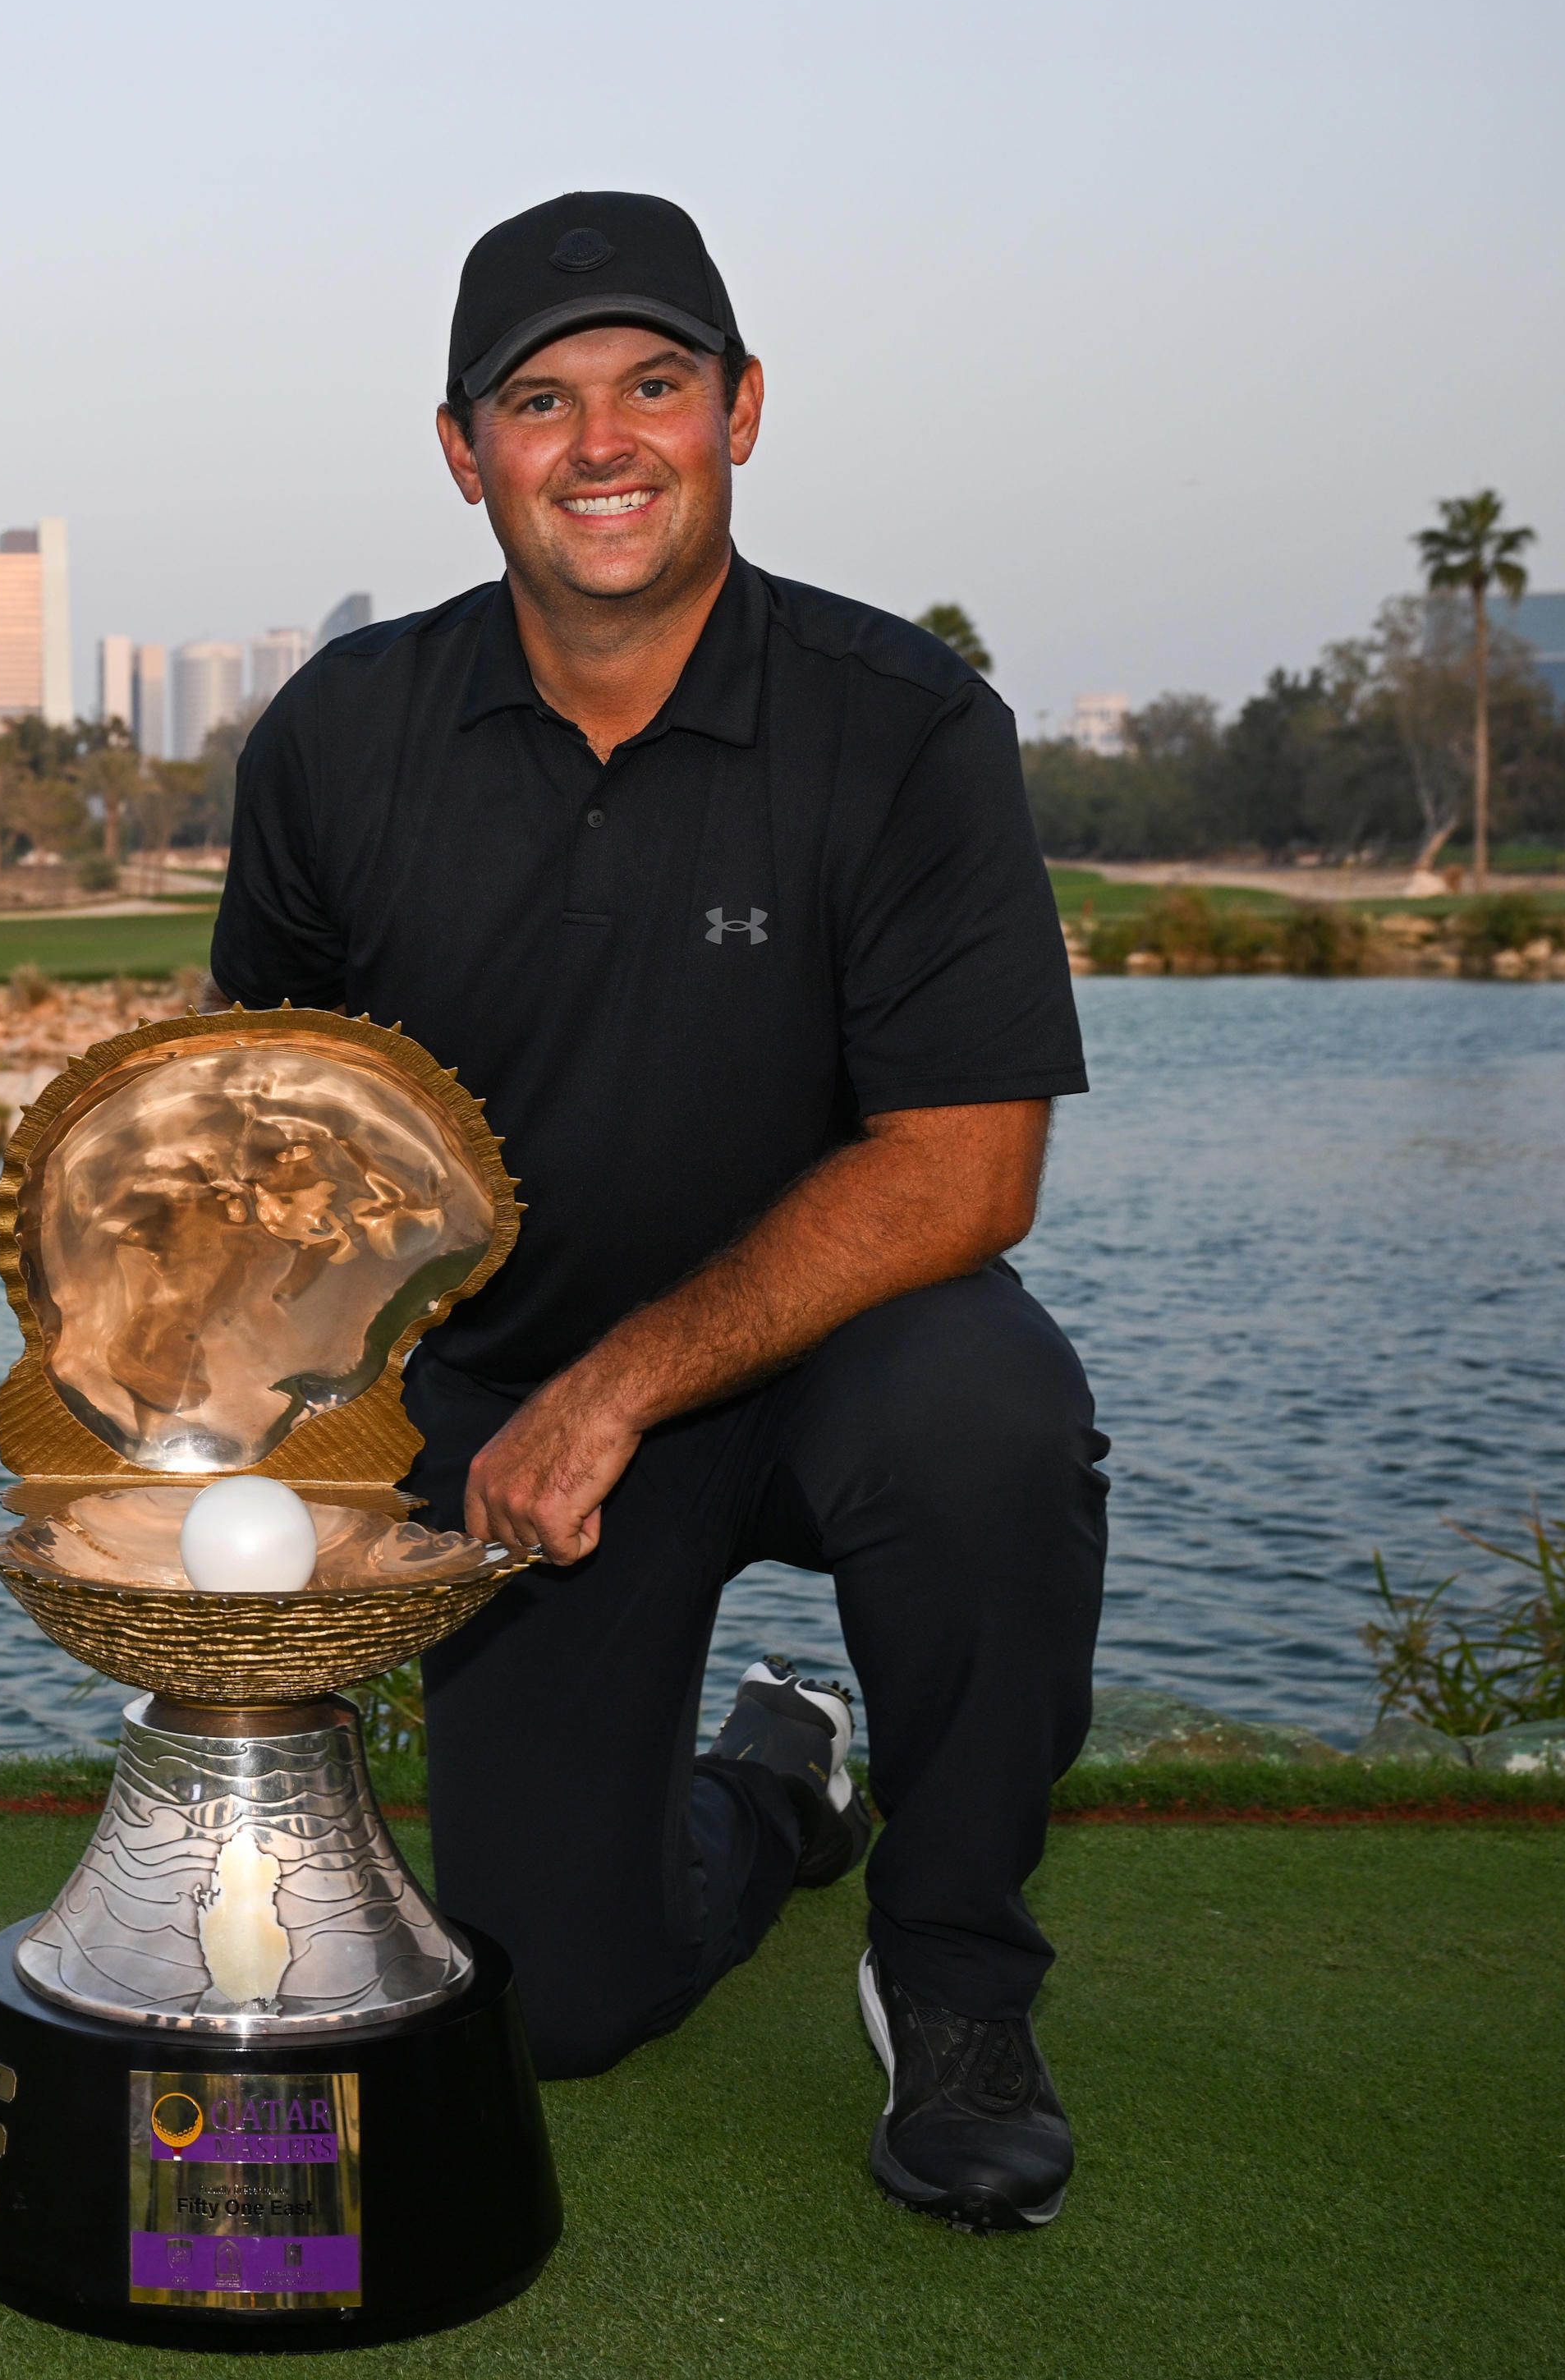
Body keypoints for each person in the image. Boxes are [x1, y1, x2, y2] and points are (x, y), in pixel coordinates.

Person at [206, 191, 1106, 2234]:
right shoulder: (342, 738)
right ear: (463, 451)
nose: (600, 441)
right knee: (554, 2000)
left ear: (742, 412)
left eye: (652, 385)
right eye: (540, 398)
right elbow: (273, 1137)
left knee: (991, 1420)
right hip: (500, 1410)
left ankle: (957, 1980)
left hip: (827, 1367)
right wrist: (264, 1437)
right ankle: (779, 1782)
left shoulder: (905, 722)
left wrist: (621, 1386)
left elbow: (970, 1167)